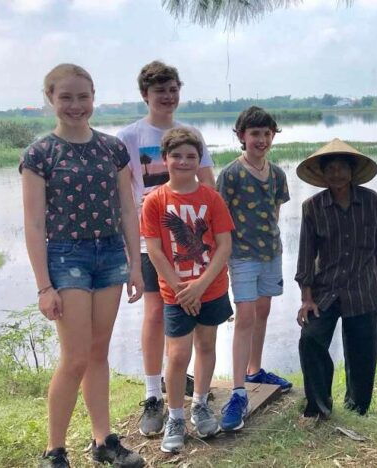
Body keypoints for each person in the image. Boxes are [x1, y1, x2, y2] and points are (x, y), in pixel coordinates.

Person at [22, 63, 145, 468]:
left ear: (94, 98)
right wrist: (44, 286)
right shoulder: (40, 154)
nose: (76, 106)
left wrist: (135, 263)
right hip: (66, 256)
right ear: (51, 100)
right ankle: (54, 450)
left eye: (83, 97)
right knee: (74, 357)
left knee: (97, 352)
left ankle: (103, 441)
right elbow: (35, 223)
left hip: (110, 255)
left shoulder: (112, 148)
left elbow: (128, 209)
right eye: (66, 97)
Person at [116, 61, 216, 437]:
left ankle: (190, 391)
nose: (168, 96)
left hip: (191, 244)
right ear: (146, 95)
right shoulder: (129, 136)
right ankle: (153, 394)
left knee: (196, 316)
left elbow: (208, 185)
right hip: (150, 240)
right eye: (160, 91)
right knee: (156, 312)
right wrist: (130, 250)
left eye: (173, 89)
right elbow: (123, 196)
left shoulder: (190, 135)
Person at [141, 128, 235, 453]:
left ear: (200, 160)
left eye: (191, 156)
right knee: (178, 354)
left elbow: (224, 246)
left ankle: (200, 404)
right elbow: (153, 250)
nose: (184, 161)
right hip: (176, 293)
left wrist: (201, 285)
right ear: (165, 159)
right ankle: (176, 416)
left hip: (211, 287)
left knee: (207, 345)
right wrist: (182, 289)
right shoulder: (155, 200)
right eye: (177, 155)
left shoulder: (211, 197)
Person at [295, 139, 377, 420]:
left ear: (352, 171)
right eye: (330, 169)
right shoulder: (312, 207)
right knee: (310, 339)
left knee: (362, 352)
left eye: (342, 168)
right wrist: (306, 298)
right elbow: (305, 257)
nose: (336, 174)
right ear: (323, 175)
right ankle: (319, 406)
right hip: (326, 291)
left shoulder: (371, 201)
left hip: (364, 289)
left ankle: (357, 408)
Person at [215, 106, 292, 432]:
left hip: (271, 253)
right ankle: (237, 392)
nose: (260, 140)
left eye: (266, 134)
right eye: (254, 134)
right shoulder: (231, 174)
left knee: (263, 310)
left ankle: (254, 369)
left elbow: (273, 212)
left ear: (272, 136)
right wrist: (224, 257)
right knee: (244, 316)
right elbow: (220, 219)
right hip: (242, 256)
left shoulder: (277, 174)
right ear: (241, 137)